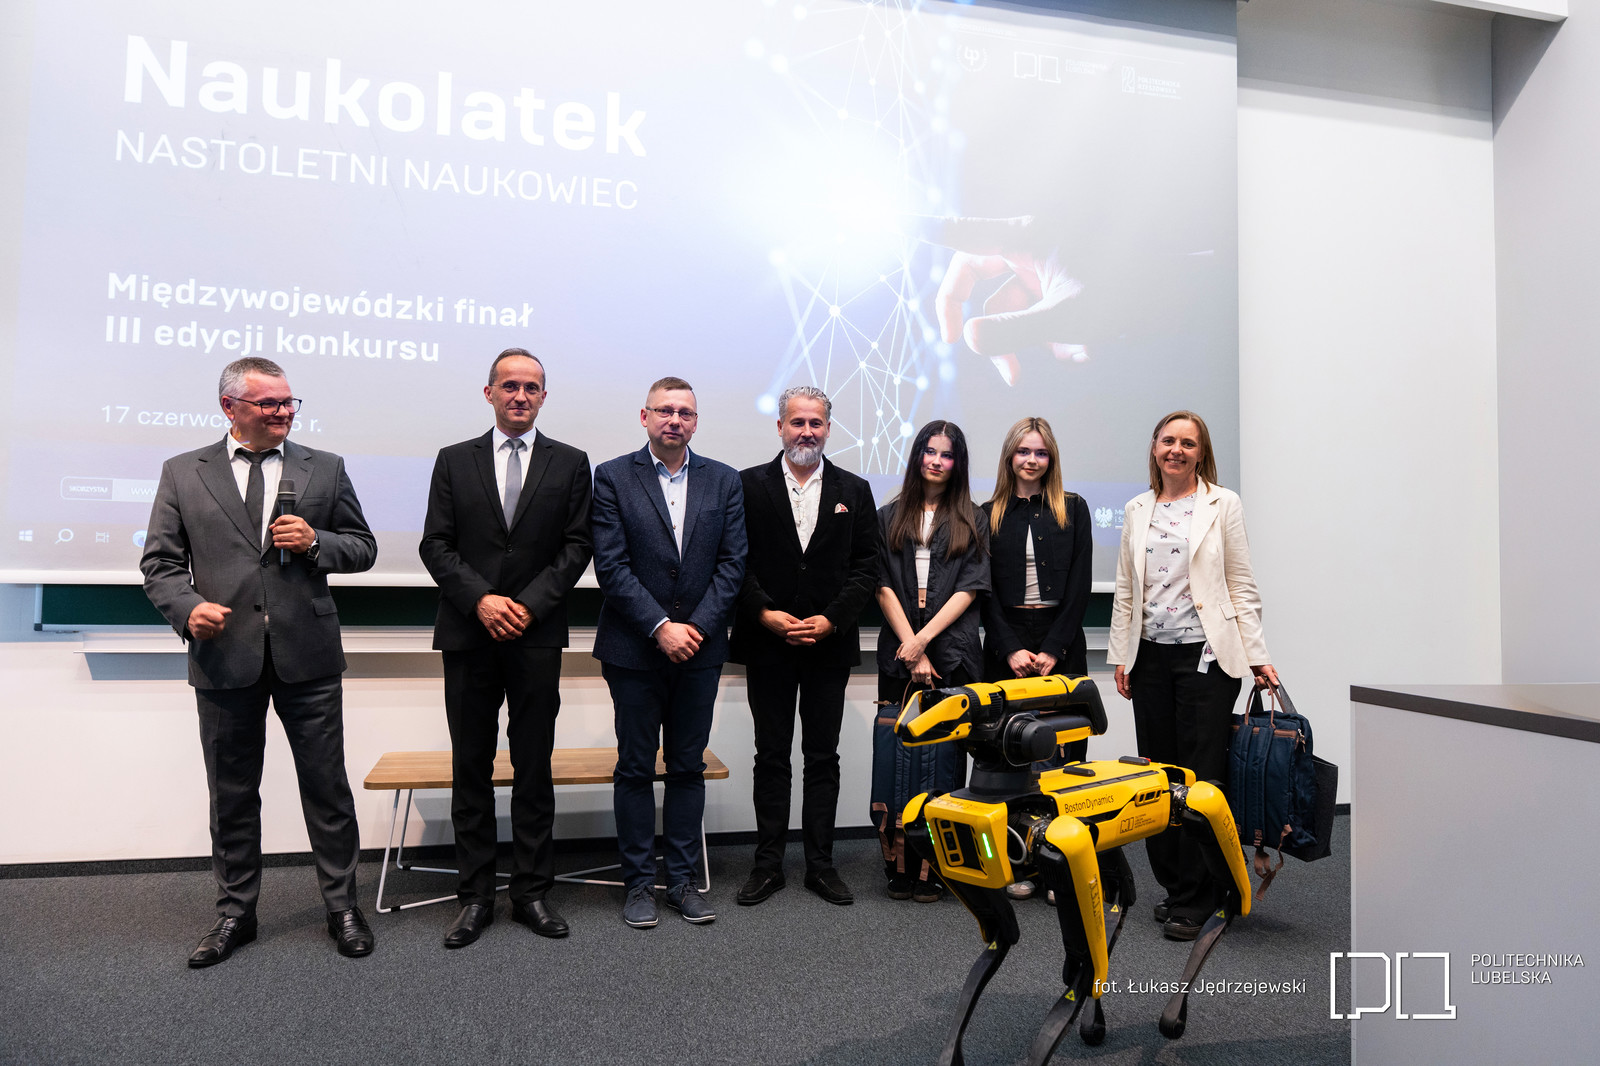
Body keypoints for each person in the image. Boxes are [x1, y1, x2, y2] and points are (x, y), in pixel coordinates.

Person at [140, 356, 377, 967]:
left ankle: (342, 907)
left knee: (327, 787)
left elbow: (363, 547)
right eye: (269, 403)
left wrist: (318, 543)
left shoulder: (325, 467)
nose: (283, 412)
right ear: (230, 407)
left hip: (308, 653)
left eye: (288, 402)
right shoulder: (183, 472)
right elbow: (160, 564)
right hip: (224, 655)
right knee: (232, 793)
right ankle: (235, 914)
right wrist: (187, 609)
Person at [418, 348, 593, 948]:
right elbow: (435, 544)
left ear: (544, 396)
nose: (521, 395)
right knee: (470, 766)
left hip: (535, 634)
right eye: (510, 385)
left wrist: (529, 605)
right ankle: (474, 897)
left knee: (533, 766)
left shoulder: (571, 462)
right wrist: (483, 601)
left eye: (532, 387)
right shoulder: (453, 459)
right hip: (470, 632)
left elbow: (577, 546)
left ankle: (531, 892)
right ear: (489, 392)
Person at [1106, 409, 1280, 942]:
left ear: (1200, 453)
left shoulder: (1223, 503)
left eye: (1187, 442)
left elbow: (1241, 584)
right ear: (1154, 447)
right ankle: (1177, 886)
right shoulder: (1136, 508)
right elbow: (1126, 589)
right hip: (1150, 659)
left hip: (1208, 659)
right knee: (1159, 779)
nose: (1176, 450)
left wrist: (1257, 655)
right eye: (1168, 440)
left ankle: (1202, 896)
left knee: (1201, 780)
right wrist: (1122, 656)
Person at [591, 376, 746, 929]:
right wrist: (660, 627)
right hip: (633, 649)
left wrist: (694, 629)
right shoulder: (612, 476)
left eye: (684, 412)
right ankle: (638, 884)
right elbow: (610, 566)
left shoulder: (724, 480)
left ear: (695, 422)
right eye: (664, 410)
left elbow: (733, 565)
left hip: (699, 651)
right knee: (634, 768)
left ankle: (681, 882)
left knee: (687, 767)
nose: (674, 420)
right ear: (645, 417)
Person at [729, 386, 879, 908]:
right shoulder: (746, 485)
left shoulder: (854, 489)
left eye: (816, 423)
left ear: (829, 429)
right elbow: (734, 560)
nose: (807, 431)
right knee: (770, 755)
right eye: (797, 422)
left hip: (827, 646)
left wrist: (832, 619)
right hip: (766, 642)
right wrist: (764, 613)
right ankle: (767, 865)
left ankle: (821, 865)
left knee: (822, 757)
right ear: (780, 427)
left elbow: (866, 567)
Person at [872, 420, 989, 902]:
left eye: (947, 454)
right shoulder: (888, 514)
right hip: (900, 651)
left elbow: (970, 589)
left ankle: (937, 865)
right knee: (897, 758)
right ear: (917, 455)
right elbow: (881, 585)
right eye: (930, 451)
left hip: (951, 649)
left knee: (944, 763)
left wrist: (923, 641)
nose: (937, 461)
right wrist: (910, 644)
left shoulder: (973, 517)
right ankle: (898, 860)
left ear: (958, 463)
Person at [979, 416, 1093, 901]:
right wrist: (1010, 648)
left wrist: (1053, 649)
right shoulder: (986, 513)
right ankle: (1017, 862)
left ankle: (1058, 870)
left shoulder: (1073, 508)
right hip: (1006, 644)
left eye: (1041, 452)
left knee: (1064, 759)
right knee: (1010, 757)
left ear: (1051, 459)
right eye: (1024, 451)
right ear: (1010, 457)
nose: (1032, 460)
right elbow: (982, 591)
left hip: (1060, 641)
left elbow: (1081, 584)